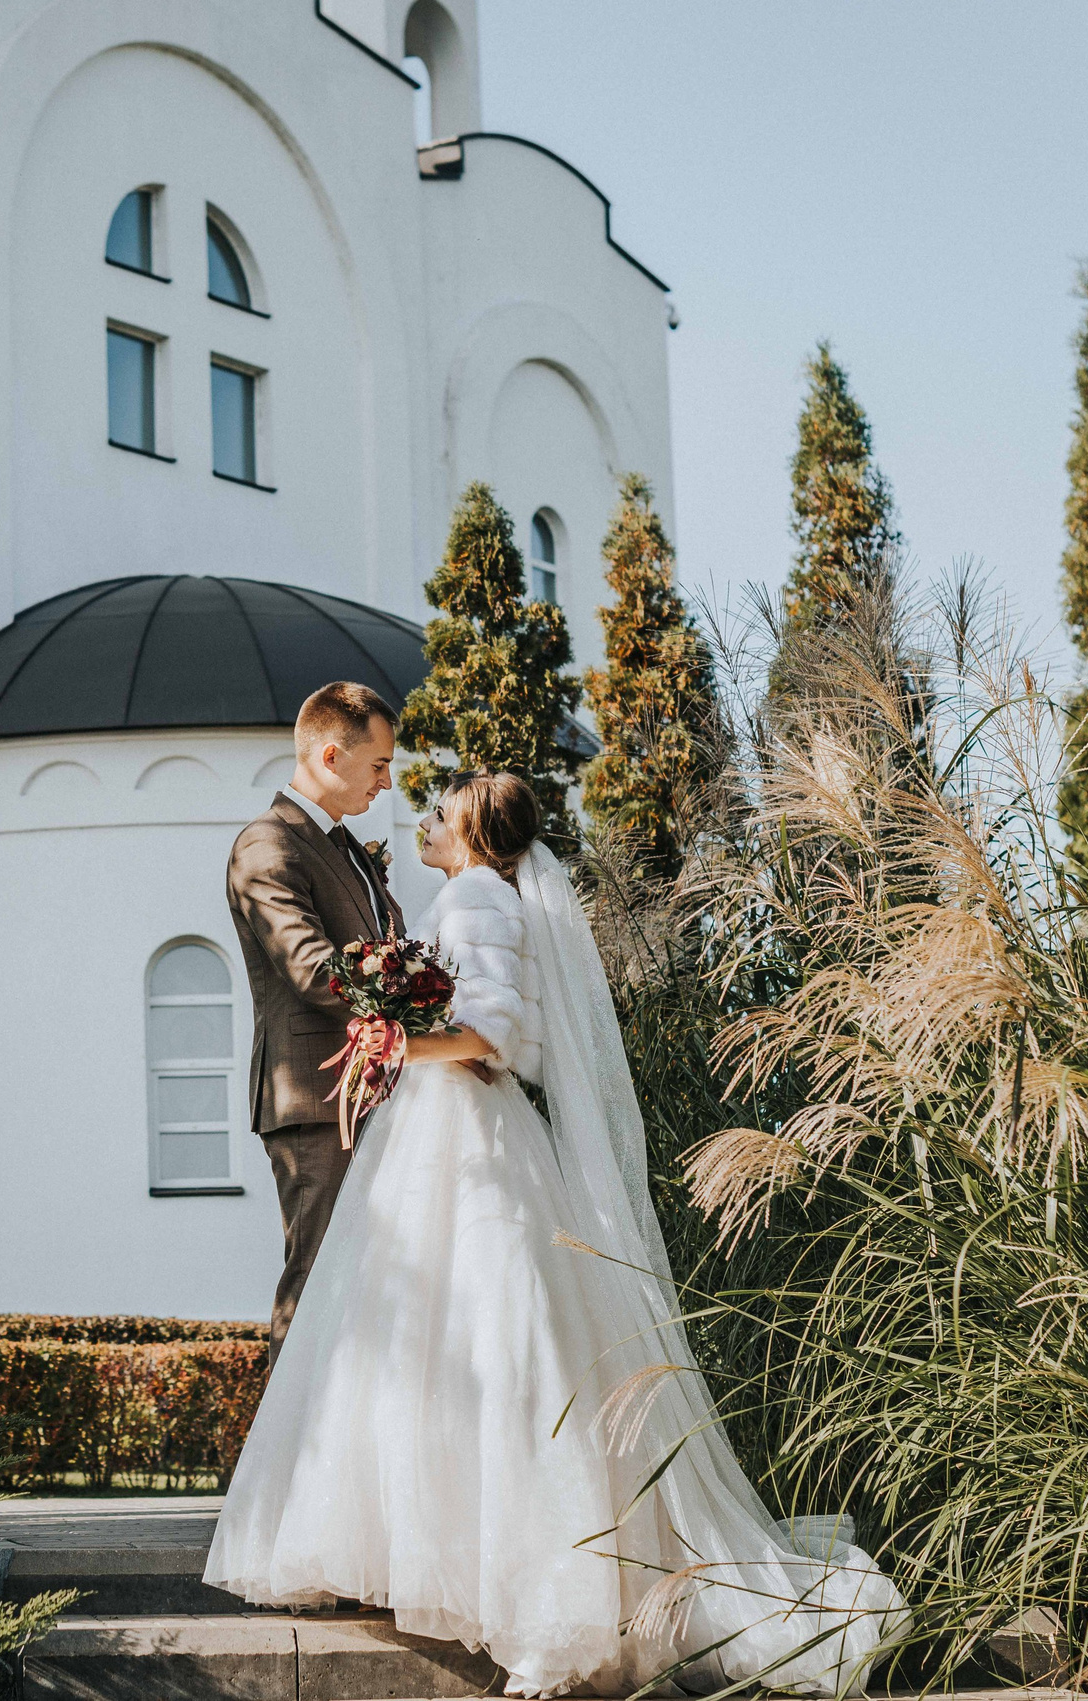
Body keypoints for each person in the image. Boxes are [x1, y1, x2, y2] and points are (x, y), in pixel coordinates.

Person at [206, 770, 908, 1697]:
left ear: (470, 827)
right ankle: (451, 1561)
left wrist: (395, 1040)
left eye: (441, 803)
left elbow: (491, 1035)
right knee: (433, 1345)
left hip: (464, 1130)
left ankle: (540, 1594)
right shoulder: (479, 894)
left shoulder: (475, 896)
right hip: (445, 1128)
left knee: (498, 1350)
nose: (421, 813)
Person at [225, 682, 407, 1359]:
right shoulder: (267, 845)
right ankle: (285, 1464)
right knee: (318, 1281)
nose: (387, 783)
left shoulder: (348, 848)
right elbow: (311, 966)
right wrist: (411, 1006)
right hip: (313, 1099)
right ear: (332, 754)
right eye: (380, 765)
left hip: (374, 1091)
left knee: (374, 1286)